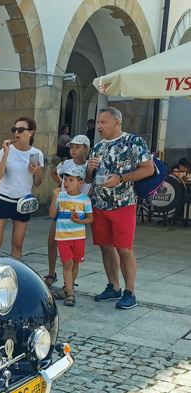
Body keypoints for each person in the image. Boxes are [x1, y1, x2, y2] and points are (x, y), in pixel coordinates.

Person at [85, 107, 154, 310]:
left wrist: (121, 178)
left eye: (103, 122)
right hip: (99, 204)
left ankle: (130, 292)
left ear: (117, 122)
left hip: (123, 204)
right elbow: (89, 180)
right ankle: (113, 286)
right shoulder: (97, 147)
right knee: (106, 247)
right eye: (98, 122)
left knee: (124, 249)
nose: (98, 126)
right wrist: (89, 169)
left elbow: (148, 169)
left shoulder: (134, 142)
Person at [0, 117, 44, 259]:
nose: (16, 133)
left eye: (21, 130)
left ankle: (13, 274)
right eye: (14, 130)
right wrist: (6, 154)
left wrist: (38, 173)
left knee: (18, 244)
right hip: (3, 199)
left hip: (23, 202)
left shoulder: (37, 154)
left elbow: (37, 183)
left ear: (31, 132)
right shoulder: (5, 151)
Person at [44, 134, 91, 287]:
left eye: (78, 147)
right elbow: (53, 173)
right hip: (63, 206)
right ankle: (52, 273)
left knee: (74, 248)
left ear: (86, 149)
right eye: (71, 147)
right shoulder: (66, 163)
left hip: (78, 208)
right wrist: (62, 187)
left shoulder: (90, 165)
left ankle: (69, 283)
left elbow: (92, 183)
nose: (73, 150)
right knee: (52, 240)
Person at [48, 164, 93, 307]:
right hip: (63, 237)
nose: (66, 182)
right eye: (65, 179)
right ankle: (71, 293)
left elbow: (90, 218)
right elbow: (52, 214)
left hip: (79, 237)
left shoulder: (85, 200)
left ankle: (67, 289)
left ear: (80, 184)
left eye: (71, 180)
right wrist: (54, 198)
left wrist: (79, 220)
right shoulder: (60, 197)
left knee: (75, 263)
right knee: (67, 263)